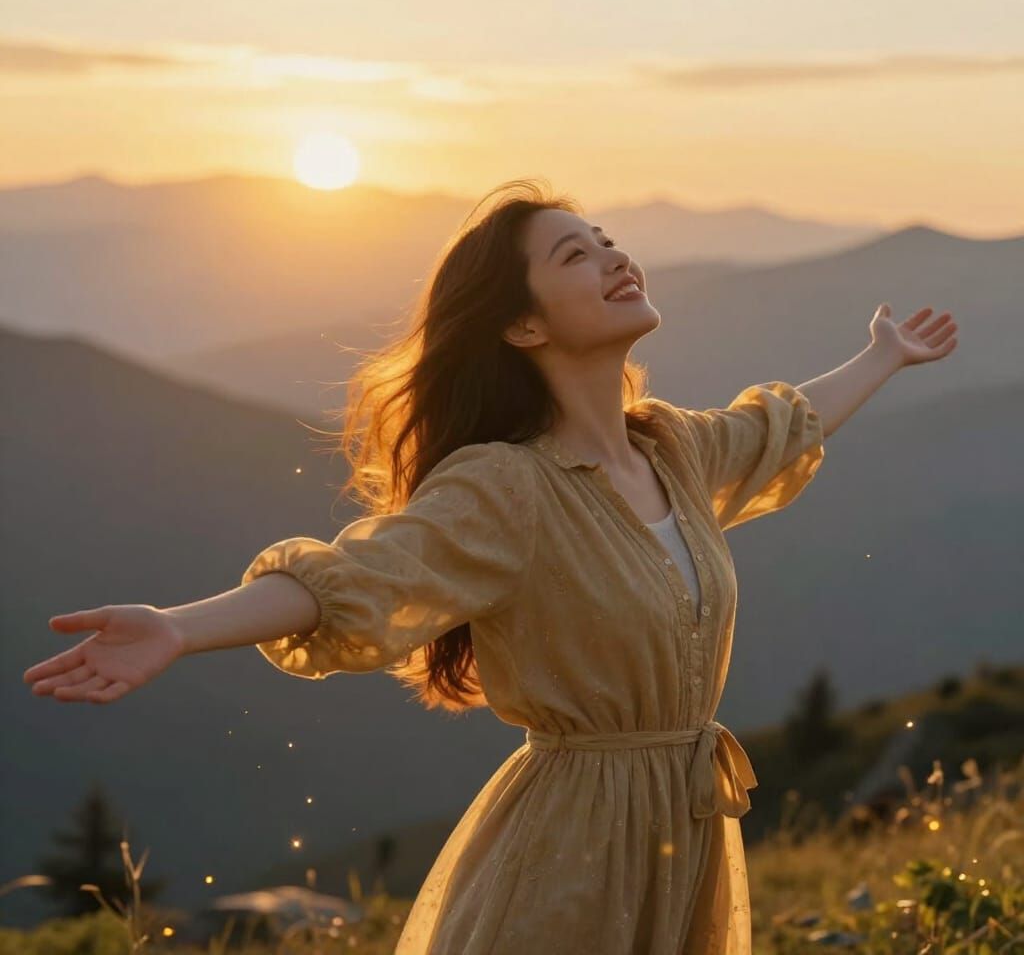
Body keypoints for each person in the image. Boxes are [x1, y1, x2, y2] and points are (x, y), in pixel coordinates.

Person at [23, 179, 958, 953]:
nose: (614, 257)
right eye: (576, 256)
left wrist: (881, 357)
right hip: (574, 847)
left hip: (686, 832)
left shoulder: (671, 449)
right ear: (522, 327)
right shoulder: (506, 486)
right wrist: (178, 627)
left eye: (608, 241)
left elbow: (780, 426)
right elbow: (355, 578)